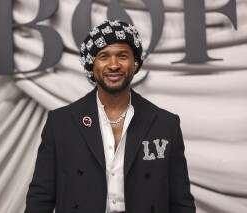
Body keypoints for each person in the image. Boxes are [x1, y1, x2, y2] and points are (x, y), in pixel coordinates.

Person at [25, 20, 196, 213]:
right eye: (104, 56)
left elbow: (182, 203)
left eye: (122, 56)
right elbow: (40, 199)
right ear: (92, 64)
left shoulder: (166, 125)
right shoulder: (61, 123)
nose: (113, 65)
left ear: (135, 62)